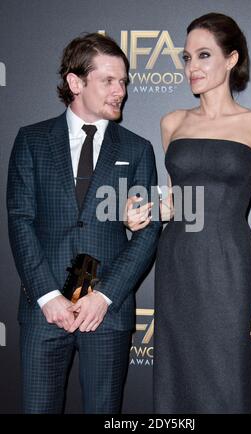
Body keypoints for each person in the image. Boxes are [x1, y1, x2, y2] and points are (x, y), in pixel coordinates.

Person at [125, 13, 251, 413]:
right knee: (176, 387)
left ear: (231, 59)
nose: (191, 67)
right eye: (186, 57)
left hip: (230, 268)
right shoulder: (172, 123)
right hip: (178, 265)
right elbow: (180, 203)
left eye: (204, 55)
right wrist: (143, 212)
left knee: (228, 384)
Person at [6, 33, 161, 414]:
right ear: (75, 83)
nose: (120, 90)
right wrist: (47, 296)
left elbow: (148, 232)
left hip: (106, 315)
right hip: (44, 312)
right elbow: (20, 221)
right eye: (108, 80)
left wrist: (104, 297)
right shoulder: (32, 141)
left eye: (123, 80)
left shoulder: (138, 149)